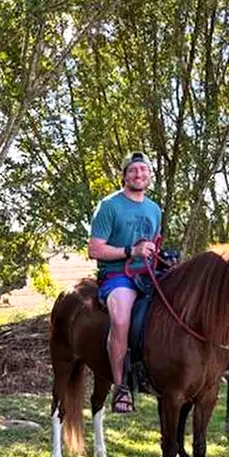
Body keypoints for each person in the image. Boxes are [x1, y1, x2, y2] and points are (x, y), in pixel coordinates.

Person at [87, 151, 162, 414]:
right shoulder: (109, 206)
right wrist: (131, 251)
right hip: (118, 275)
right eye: (133, 170)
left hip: (149, 274)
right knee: (121, 320)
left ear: (150, 176)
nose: (138, 174)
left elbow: (153, 244)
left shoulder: (154, 209)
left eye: (143, 170)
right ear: (124, 176)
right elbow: (95, 250)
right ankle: (120, 386)